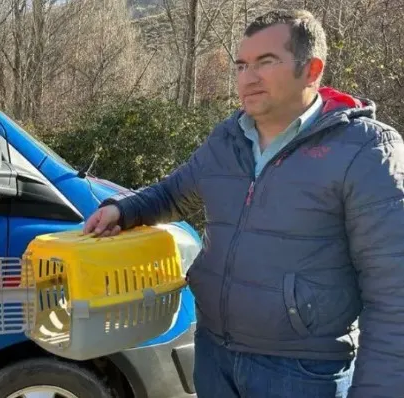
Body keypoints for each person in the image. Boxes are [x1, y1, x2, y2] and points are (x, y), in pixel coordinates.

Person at [83, 9, 403, 398]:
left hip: (301, 371)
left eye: (266, 62)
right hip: (215, 355)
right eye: (241, 65)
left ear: (312, 69)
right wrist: (123, 209)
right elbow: (172, 193)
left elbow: (392, 295)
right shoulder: (228, 138)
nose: (248, 77)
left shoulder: (366, 150)